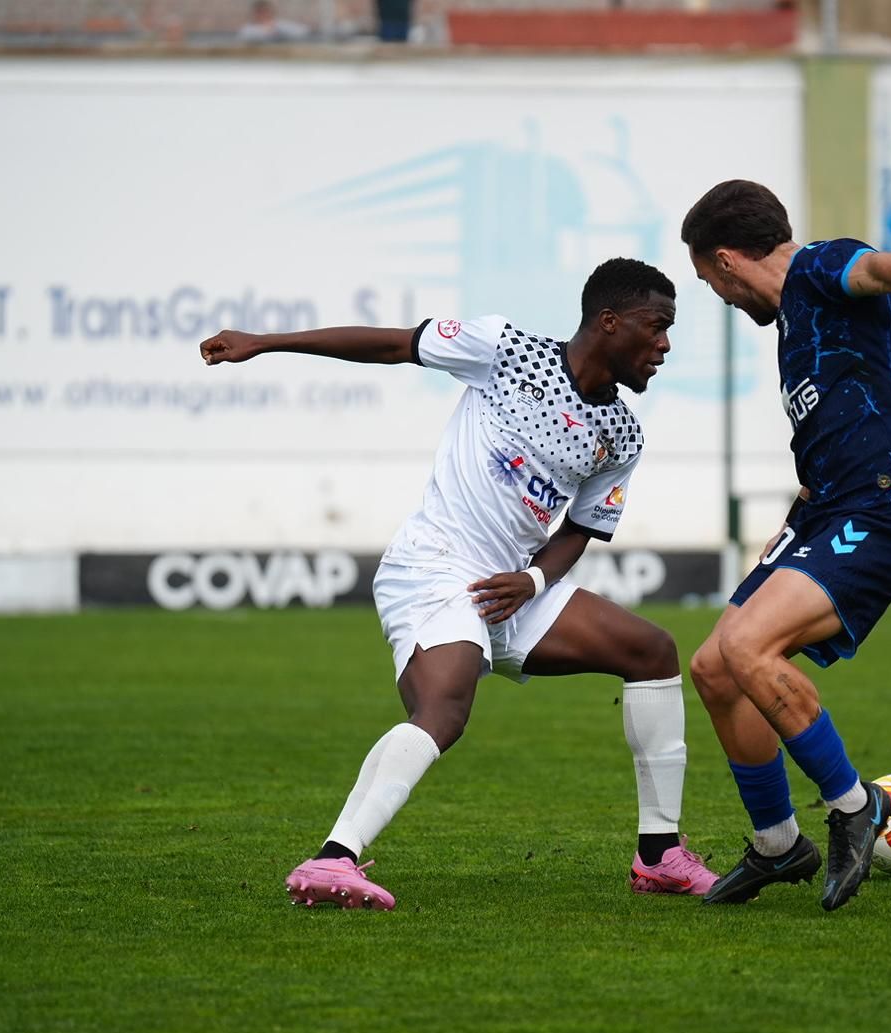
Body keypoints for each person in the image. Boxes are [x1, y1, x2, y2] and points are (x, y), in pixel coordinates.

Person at [199, 259, 718, 910]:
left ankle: (659, 854)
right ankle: (334, 857)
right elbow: (392, 345)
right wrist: (266, 343)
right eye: (657, 326)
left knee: (652, 652)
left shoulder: (622, 434)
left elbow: (580, 530)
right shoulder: (503, 348)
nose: (666, 344)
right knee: (445, 709)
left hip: (510, 588)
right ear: (610, 323)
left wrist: (532, 581)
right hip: (438, 565)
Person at [679, 179, 891, 911]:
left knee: (749, 645)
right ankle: (780, 847)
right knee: (716, 667)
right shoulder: (795, 327)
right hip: (830, 507)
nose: (718, 296)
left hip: (887, 501)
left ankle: (855, 807)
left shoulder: (815, 267)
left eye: (709, 280)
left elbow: (869, 267)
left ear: (725, 261)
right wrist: (793, 517)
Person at [238, 0, 310, 42]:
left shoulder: (279, 24)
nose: (263, 15)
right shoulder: (249, 29)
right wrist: (266, 30)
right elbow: (245, 36)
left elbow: (303, 31)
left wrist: (276, 28)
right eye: (260, 12)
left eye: (266, 12)